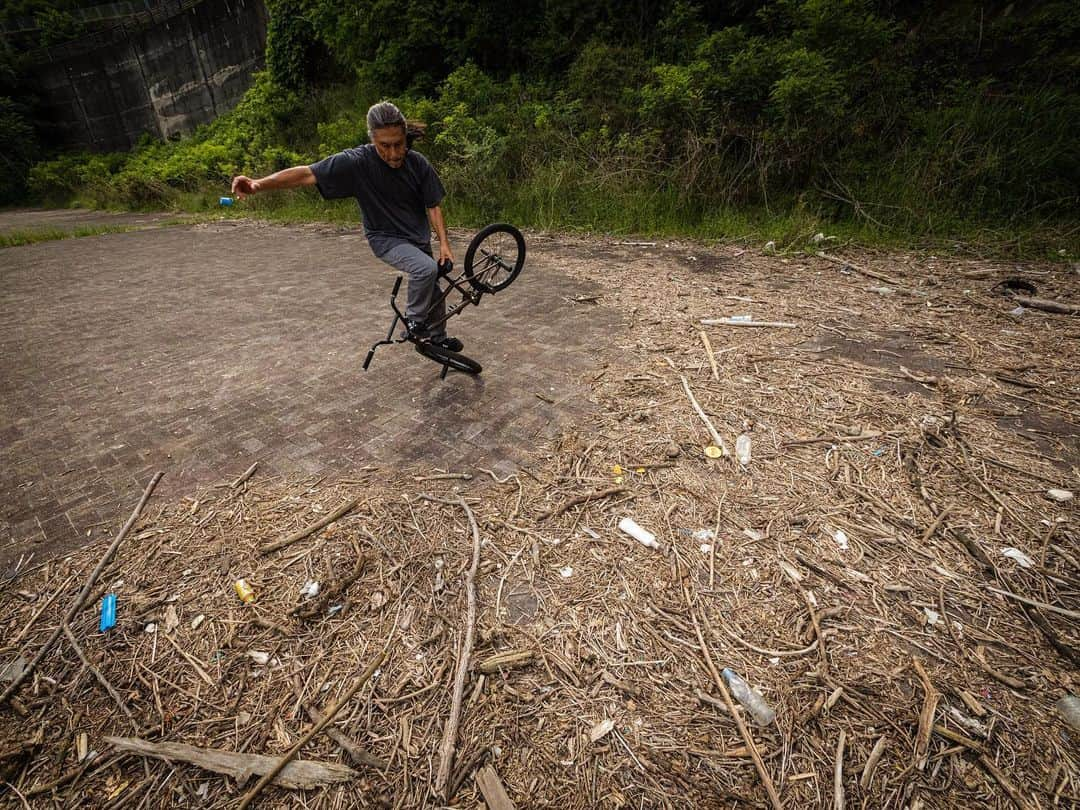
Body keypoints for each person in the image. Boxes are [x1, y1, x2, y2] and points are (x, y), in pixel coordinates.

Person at [230, 101, 462, 351]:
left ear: (405, 137)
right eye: (385, 146)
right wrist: (258, 184)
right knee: (426, 270)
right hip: (386, 238)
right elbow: (307, 174)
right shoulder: (356, 162)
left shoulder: (418, 164)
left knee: (432, 285)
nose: (394, 153)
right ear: (373, 140)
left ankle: (438, 338)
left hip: (417, 237)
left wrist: (445, 246)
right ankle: (414, 323)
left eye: (399, 144)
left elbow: (433, 204)